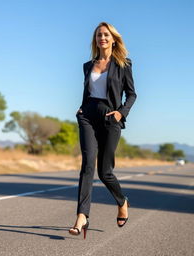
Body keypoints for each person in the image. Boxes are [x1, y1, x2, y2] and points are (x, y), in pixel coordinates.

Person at [69, 22, 137, 239]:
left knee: (104, 172)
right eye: (99, 35)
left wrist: (121, 113)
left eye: (106, 35)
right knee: (87, 165)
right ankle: (82, 215)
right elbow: (88, 91)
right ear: (95, 39)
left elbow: (132, 94)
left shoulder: (123, 64)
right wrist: (81, 108)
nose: (102, 38)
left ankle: (122, 201)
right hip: (87, 116)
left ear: (113, 39)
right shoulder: (88, 65)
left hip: (110, 118)